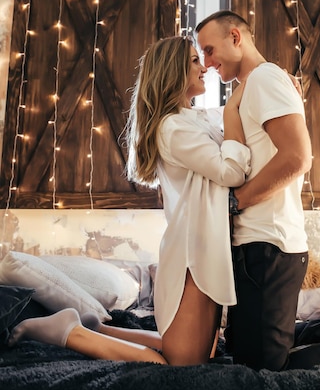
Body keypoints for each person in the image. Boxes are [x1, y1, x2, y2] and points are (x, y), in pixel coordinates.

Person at [8, 36, 251, 366]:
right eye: (195, 61)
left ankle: (93, 327)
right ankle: (72, 333)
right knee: (181, 365)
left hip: (203, 245)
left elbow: (231, 116)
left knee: (188, 349)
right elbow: (231, 172)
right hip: (194, 253)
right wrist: (235, 113)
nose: (205, 66)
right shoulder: (173, 127)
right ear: (173, 72)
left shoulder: (191, 119)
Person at [195, 10, 312, 371]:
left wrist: (234, 202)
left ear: (235, 37)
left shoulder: (264, 79)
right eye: (201, 57)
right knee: (245, 352)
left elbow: (297, 157)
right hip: (253, 246)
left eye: (210, 50)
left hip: (269, 244)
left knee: (262, 367)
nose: (207, 63)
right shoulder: (252, 87)